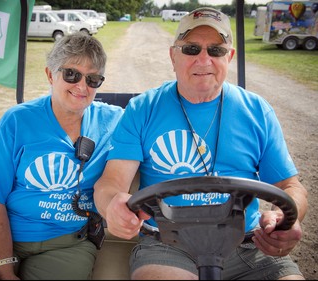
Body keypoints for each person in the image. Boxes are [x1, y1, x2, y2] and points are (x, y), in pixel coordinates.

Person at [93, 7, 308, 280]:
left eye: (216, 50)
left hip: (247, 245)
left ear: (229, 57)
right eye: (191, 49)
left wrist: (287, 217)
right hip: (168, 246)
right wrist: (112, 205)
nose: (203, 59)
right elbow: (110, 184)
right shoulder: (143, 108)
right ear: (173, 55)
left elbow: (291, 187)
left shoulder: (256, 110)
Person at [0, 32, 123, 280]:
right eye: (71, 74)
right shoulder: (17, 121)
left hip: (67, 244)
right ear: (49, 75)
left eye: (93, 78)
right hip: (0, 234)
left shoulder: (113, 120)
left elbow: (154, 114)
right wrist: (4, 269)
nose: (82, 86)